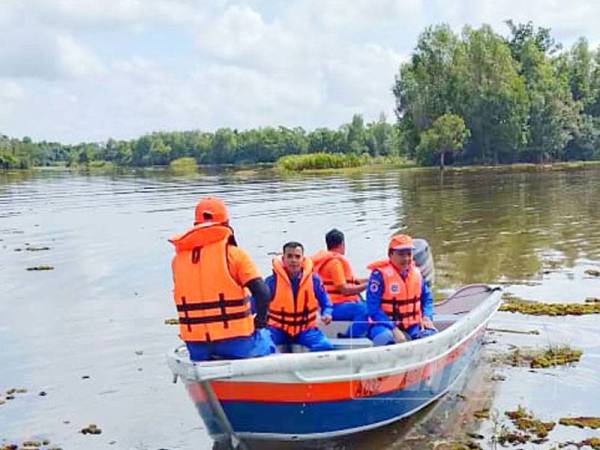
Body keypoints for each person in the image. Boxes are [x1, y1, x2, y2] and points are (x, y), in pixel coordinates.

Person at [169, 197, 276, 361]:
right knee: (268, 339)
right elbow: (262, 292)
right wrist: (260, 321)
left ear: (195, 224)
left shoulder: (178, 260)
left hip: (196, 346)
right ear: (226, 223)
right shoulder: (233, 254)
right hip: (237, 342)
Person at [366, 234, 437, 346]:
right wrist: (393, 328)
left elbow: (427, 299)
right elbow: (373, 308)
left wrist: (427, 316)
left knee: (431, 336)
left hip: (411, 325)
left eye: (409, 254)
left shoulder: (417, 274)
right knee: (385, 339)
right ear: (390, 254)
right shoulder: (378, 276)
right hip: (384, 325)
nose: (406, 259)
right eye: (401, 254)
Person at [266, 241, 334, 352]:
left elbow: (326, 303)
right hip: (278, 329)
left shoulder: (314, 280)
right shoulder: (271, 281)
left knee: (325, 346)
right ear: (284, 259)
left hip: (305, 329)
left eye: (297, 257)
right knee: (263, 347)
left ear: (302, 259)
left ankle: (308, 367)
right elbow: (254, 305)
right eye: (290, 256)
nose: (293, 260)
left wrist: (327, 314)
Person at [311, 229, 369, 338]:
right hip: (333, 307)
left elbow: (353, 281)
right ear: (342, 244)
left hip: (325, 305)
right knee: (364, 310)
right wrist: (367, 286)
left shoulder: (325, 260)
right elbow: (344, 290)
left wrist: (371, 279)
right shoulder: (335, 263)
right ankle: (350, 337)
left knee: (365, 305)